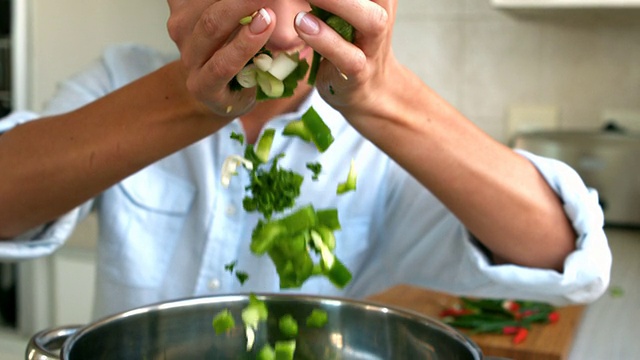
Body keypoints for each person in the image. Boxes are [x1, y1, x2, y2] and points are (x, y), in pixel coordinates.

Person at [0, 0, 611, 319]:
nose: (287, 38)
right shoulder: (118, 78)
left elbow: (566, 259)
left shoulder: (381, 147)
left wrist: (381, 94)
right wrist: (192, 100)